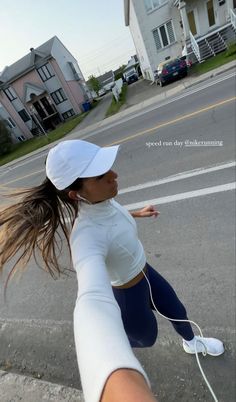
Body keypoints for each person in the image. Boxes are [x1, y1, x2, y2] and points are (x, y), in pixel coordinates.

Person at [0, 139, 224, 402]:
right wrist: (109, 374)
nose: (114, 174)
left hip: (146, 273)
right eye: (101, 174)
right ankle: (122, 337)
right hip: (128, 296)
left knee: (178, 311)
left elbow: (113, 216)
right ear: (76, 194)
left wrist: (137, 213)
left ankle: (192, 343)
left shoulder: (102, 199)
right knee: (147, 338)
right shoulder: (85, 237)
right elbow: (90, 297)